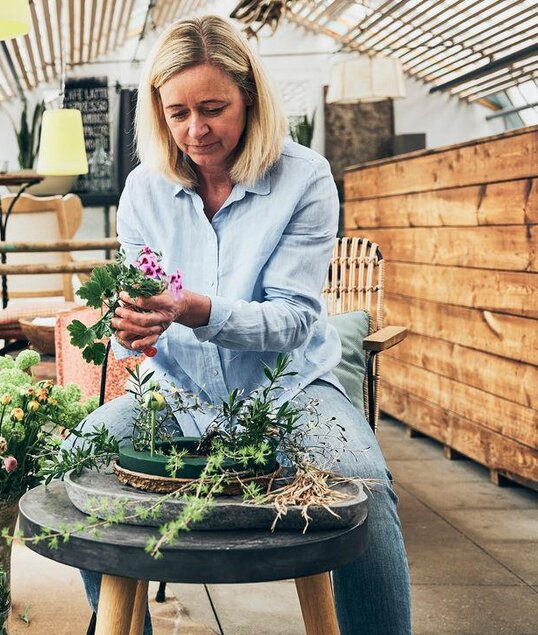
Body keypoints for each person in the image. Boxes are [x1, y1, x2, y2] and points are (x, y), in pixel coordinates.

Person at [72, 15, 413, 635]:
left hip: (286, 392)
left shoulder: (303, 177)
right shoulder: (144, 190)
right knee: (77, 458)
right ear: (158, 112)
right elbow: (142, 301)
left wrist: (195, 309)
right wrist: (133, 325)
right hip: (179, 394)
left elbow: (291, 320)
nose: (195, 130)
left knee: (365, 488)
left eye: (213, 108)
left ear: (249, 99)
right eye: (177, 113)